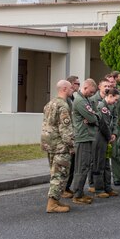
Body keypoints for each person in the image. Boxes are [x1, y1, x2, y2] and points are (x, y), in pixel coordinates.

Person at [41, 80, 75, 212]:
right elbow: (65, 129)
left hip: (49, 143)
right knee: (60, 174)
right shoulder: (63, 105)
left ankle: (56, 199)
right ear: (65, 89)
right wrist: (72, 145)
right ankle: (52, 204)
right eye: (71, 88)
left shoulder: (50, 103)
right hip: (60, 145)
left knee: (54, 173)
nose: (73, 90)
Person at [70, 78, 100, 205]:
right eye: (91, 92)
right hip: (83, 137)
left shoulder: (86, 99)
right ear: (85, 87)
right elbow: (92, 118)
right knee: (82, 166)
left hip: (87, 136)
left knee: (85, 165)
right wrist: (93, 117)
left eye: (93, 93)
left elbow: (96, 115)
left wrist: (94, 116)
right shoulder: (80, 101)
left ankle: (79, 192)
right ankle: (77, 194)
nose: (92, 95)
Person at [92, 87, 120, 198]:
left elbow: (112, 122)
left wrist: (114, 133)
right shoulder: (102, 106)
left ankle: (107, 187)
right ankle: (99, 189)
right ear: (110, 96)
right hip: (100, 137)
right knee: (99, 163)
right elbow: (103, 124)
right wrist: (109, 136)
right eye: (115, 99)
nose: (116, 102)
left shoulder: (109, 107)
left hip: (106, 137)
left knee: (106, 164)